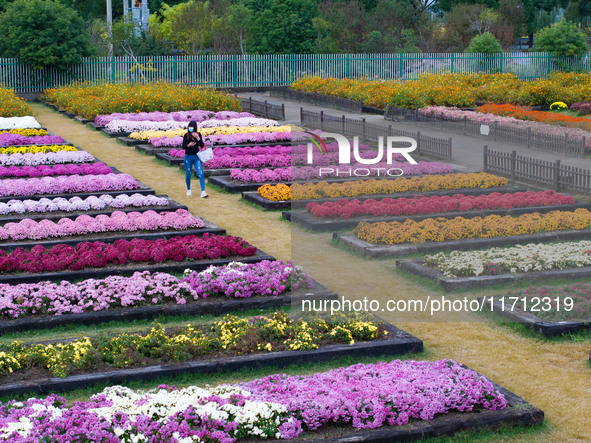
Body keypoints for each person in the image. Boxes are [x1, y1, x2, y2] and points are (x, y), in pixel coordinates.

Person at [182, 120, 208, 198]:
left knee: (200, 173)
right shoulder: (186, 135)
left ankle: (203, 191)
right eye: (190, 126)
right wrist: (188, 145)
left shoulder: (198, 134)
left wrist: (198, 138)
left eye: (192, 127)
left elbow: (202, 145)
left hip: (197, 157)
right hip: (188, 157)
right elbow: (183, 146)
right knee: (188, 174)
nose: (191, 128)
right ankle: (188, 189)